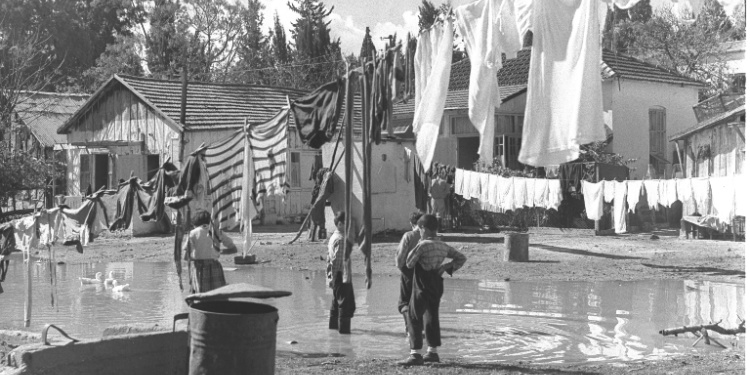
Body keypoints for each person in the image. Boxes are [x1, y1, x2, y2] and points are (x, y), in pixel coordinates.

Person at [399, 214, 467, 366]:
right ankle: (432, 352)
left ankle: (415, 354)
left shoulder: (422, 245)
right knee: (431, 317)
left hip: (422, 284)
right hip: (436, 284)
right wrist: (445, 267)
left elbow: (409, 263)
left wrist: (417, 245)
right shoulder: (443, 245)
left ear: (423, 228)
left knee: (413, 315)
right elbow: (461, 258)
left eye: (420, 230)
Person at [183, 210, 227, 294]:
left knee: (201, 294)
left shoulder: (193, 233)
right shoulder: (217, 231)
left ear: (195, 222)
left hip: (200, 267)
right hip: (216, 265)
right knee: (217, 293)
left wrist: (196, 257)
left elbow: (186, 257)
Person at [327, 211, 356, 334]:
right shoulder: (341, 239)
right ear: (339, 224)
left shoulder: (333, 237)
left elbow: (330, 260)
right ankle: (344, 335)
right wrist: (333, 279)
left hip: (336, 275)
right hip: (341, 275)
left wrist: (330, 279)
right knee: (345, 305)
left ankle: (333, 331)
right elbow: (337, 262)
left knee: (335, 305)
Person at [394, 211, 423, 332]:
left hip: (409, 271)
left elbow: (400, 259)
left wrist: (402, 268)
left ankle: (410, 329)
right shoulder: (429, 236)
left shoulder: (409, 236)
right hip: (425, 273)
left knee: (404, 303)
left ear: (412, 223)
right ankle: (419, 330)